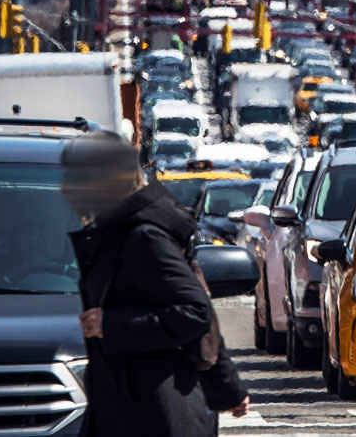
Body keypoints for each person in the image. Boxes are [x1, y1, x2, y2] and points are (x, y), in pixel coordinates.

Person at [62, 131, 248, 437]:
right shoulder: (117, 234)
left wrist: (110, 324)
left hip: (155, 415)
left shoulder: (143, 238)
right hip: (129, 410)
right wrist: (227, 389)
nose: (65, 189)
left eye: (75, 177)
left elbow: (194, 312)